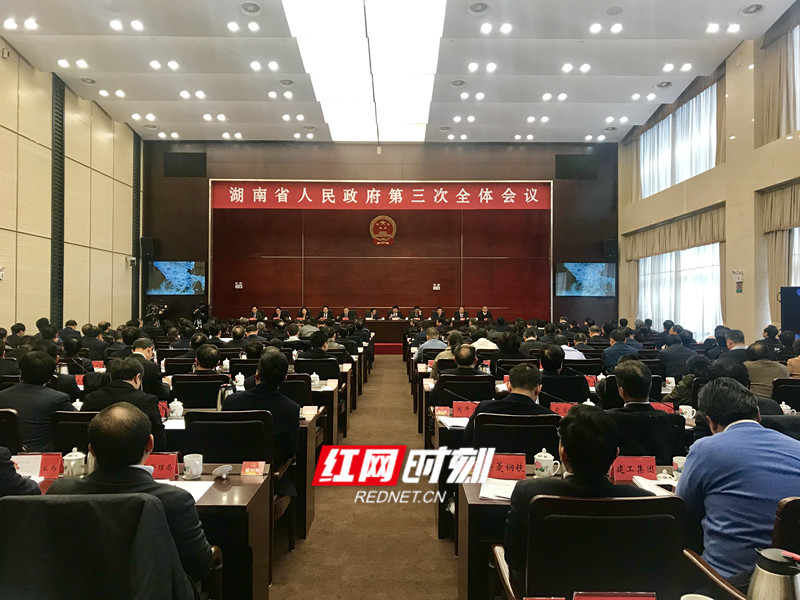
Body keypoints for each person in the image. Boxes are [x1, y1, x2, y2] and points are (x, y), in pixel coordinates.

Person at [48, 403, 213, 581]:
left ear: (91, 450)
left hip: (78, 589)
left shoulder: (60, 492)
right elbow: (199, 566)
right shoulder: (175, 500)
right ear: (150, 443)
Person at [504, 404, 653, 590]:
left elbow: (515, 559)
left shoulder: (528, 492)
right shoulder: (643, 501)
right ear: (616, 454)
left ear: (562, 453)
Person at [677, 378, 800, 585]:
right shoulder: (796, 447)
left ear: (710, 422)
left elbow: (683, 509)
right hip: (792, 582)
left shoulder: (705, 449)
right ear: (758, 416)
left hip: (726, 584)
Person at [223, 349, 299, 493]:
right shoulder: (291, 408)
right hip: (271, 477)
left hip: (231, 475)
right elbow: (291, 451)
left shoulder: (231, 401)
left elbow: (223, 439)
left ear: (256, 375)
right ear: (285, 379)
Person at [606, 360, 685, 465]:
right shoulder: (672, 420)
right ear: (650, 387)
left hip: (621, 474)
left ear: (621, 391)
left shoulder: (608, 419)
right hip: (662, 474)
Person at [82, 357, 166, 450]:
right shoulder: (147, 400)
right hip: (136, 453)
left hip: (100, 453)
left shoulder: (91, 398)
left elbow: (84, 434)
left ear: (111, 377)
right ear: (137, 378)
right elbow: (158, 437)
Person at [463, 362, 554, 444]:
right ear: (538, 389)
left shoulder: (484, 409)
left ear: (508, 386)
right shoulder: (550, 418)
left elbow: (467, 439)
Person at [0, 351, 74, 451]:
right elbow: (77, 422)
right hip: (44, 453)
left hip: (6, 454)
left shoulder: (2, 396)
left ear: (21, 372)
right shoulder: (58, 398)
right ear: (50, 376)